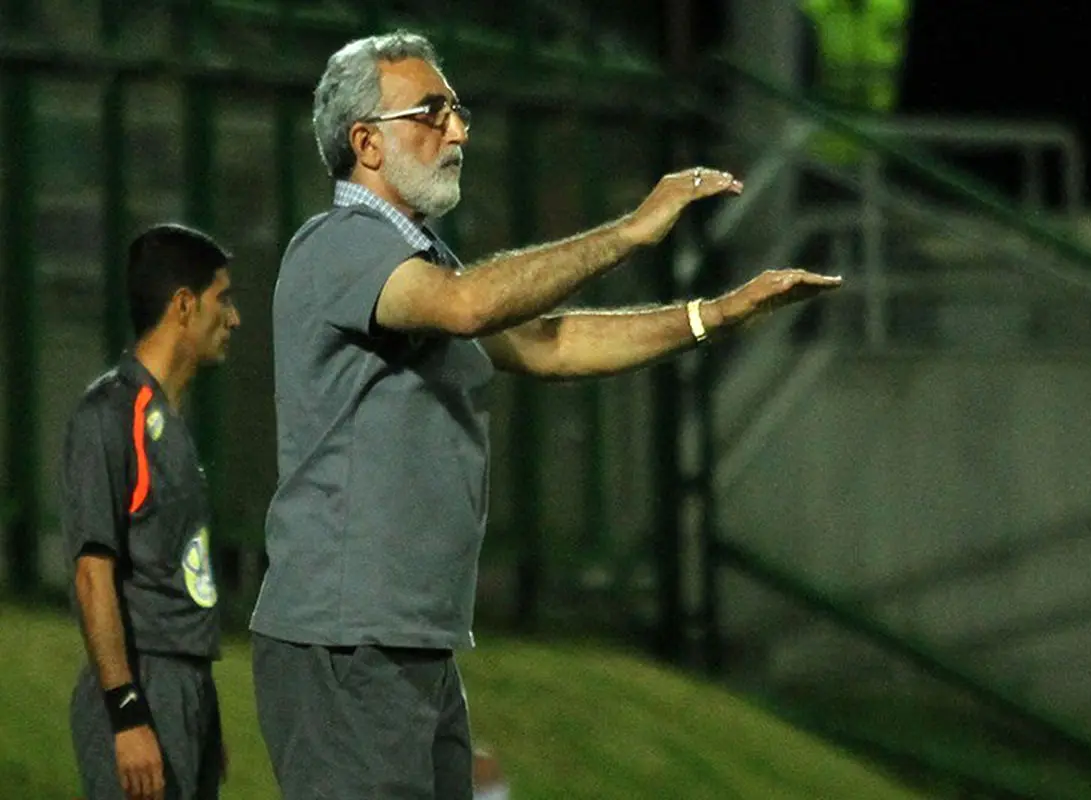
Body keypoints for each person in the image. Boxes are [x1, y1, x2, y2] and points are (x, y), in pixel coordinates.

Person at [249, 28, 842, 799]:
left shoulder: (420, 263)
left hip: (405, 636)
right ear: (365, 142)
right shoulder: (340, 244)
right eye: (432, 112)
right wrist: (630, 232)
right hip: (345, 637)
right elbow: (468, 307)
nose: (458, 131)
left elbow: (553, 344)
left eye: (457, 111)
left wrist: (715, 315)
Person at [61, 223, 241, 800]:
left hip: (184, 688)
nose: (234, 318)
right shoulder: (110, 413)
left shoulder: (168, 420)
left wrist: (201, 710)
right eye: (223, 299)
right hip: (145, 688)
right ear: (184, 305)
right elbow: (93, 575)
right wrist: (127, 714)